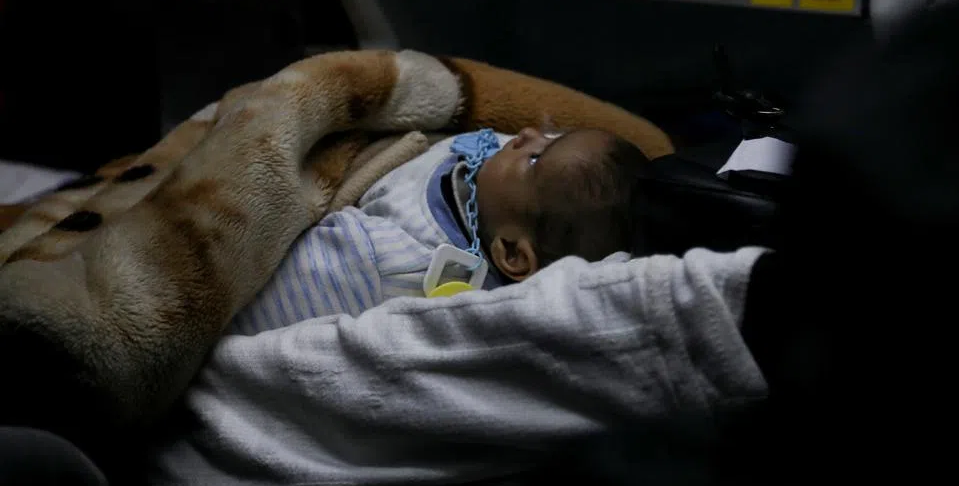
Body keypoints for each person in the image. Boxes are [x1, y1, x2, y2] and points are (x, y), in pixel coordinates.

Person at [228, 125, 649, 335]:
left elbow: (261, 305)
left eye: (537, 157)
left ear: (513, 255)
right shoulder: (502, 179)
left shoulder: (394, 257)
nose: (527, 134)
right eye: (554, 133)